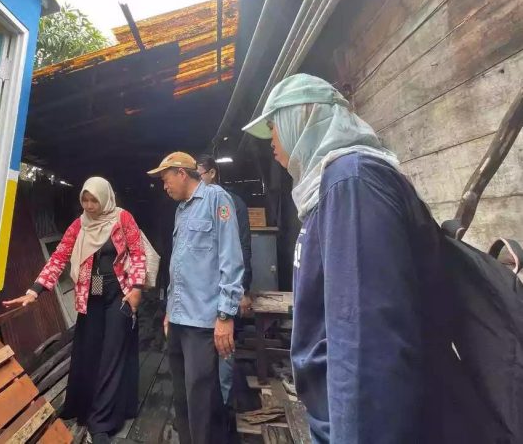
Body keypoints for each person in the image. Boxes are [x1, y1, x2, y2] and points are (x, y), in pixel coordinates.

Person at [241, 74, 478, 443]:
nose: (271, 141)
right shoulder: (333, 184)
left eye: (274, 126)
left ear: (302, 117)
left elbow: (366, 343)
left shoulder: (351, 183)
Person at [3, 177, 145, 444]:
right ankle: (85, 407)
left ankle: (101, 423)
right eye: (85, 200)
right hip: (91, 295)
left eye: (94, 200)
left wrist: (136, 288)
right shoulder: (79, 224)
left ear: (105, 198)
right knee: (90, 351)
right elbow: (59, 257)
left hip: (120, 294)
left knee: (112, 354)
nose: (89, 206)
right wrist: (34, 290)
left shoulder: (122, 219)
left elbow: (138, 253)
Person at [147, 152, 244, 444]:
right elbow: (179, 265)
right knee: (182, 397)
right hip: (179, 318)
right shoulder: (181, 210)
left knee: (202, 397)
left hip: (203, 321)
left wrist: (225, 315)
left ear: (182, 173)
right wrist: (169, 311)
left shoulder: (216, 199)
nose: (165, 187)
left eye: (166, 180)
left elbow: (231, 259)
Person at [196, 154, 252, 408]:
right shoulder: (192, 205)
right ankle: (208, 407)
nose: (197, 180)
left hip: (227, 286)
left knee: (225, 347)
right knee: (205, 350)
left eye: (200, 174)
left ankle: (224, 408)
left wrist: (243, 289)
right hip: (202, 291)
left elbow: (243, 247)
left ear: (212, 173)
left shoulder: (232, 203)